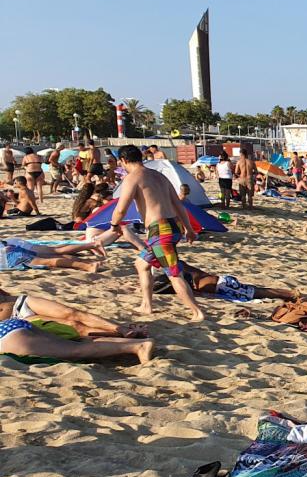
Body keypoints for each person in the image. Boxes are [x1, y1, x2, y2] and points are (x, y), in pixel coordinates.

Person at [106, 145, 205, 321]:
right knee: (141, 264)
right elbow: (178, 205)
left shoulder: (132, 178)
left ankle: (197, 312)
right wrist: (189, 229)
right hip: (172, 227)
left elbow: (121, 208)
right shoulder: (160, 176)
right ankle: (147, 305)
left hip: (160, 231)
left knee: (174, 273)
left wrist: (114, 224)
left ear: (123, 160)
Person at [0, 315, 154, 364]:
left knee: (75, 350)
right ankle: (134, 344)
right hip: (10, 326)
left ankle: (137, 347)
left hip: (9, 337)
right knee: (74, 344)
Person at [1, 287, 147, 338]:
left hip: (18, 303)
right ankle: (122, 334)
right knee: (73, 326)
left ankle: (121, 328)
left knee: (72, 313)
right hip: (13, 321)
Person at [177, 262, 298, 302]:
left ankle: (290, 294)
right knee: (254, 290)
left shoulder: (179, 269)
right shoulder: (182, 266)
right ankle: (288, 293)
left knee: (257, 293)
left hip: (222, 285)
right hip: (222, 282)